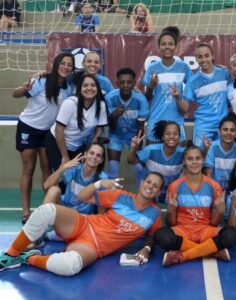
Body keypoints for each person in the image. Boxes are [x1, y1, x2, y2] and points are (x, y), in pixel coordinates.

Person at [0, 172, 164, 276]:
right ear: (142, 182)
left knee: (70, 266)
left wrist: (147, 248)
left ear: (158, 192)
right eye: (149, 182)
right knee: (47, 210)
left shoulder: (154, 213)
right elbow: (82, 197)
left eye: (156, 186)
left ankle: (29, 258)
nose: (150, 186)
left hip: (92, 247)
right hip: (84, 224)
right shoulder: (121, 196)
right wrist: (98, 184)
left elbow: (153, 236)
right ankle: (11, 254)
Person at [153, 145, 236, 266]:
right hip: (182, 231)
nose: (194, 162)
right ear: (184, 161)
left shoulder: (214, 186)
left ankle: (183, 255)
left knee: (234, 234)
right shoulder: (175, 186)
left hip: (205, 231)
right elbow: (171, 224)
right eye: (190, 159)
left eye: (197, 158)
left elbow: (214, 224)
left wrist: (220, 212)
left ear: (203, 160)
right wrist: (170, 210)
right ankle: (211, 251)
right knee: (161, 235)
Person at [12, 52, 75, 224]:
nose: (65, 67)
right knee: (28, 168)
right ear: (56, 65)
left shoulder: (69, 88)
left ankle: (45, 211)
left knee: (48, 171)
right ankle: (26, 213)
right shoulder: (41, 81)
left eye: (69, 65)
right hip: (28, 128)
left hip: (48, 133)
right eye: (62, 63)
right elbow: (15, 94)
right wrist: (23, 88)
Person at [45, 73, 108, 172]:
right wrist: (65, 157)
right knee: (63, 177)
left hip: (77, 145)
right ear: (80, 88)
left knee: (79, 174)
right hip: (56, 142)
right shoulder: (70, 103)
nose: (89, 88)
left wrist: (89, 152)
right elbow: (59, 130)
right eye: (85, 85)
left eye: (93, 85)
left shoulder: (101, 105)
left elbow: (98, 131)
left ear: (97, 88)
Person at [142, 26, 192, 145]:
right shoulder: (152, 68)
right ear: (159, 47)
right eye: (164, 44)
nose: (167, 47)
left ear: (175, 46)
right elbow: (147, 98)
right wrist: (151, 86)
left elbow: (192, 87)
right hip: (156, 119)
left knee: (178, 159)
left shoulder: (183, 67)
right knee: (152, 158)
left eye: (170, 44)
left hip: (176, 119)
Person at [182, 42, 232, 149]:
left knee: (220, 159)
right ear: (196, 59)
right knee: (200, 157)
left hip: (222, 125)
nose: (204, 60)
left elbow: (232, 95)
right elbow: (184, 108)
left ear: (212, 56)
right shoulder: (192, 82)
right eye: (200, 57)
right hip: (203, 126)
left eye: (206, 56)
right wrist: (177, 97)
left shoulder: (224, 73)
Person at [106, 67, 148, 179]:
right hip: (116, 135)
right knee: (113, 169)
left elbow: (141, 126)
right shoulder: (110, 97)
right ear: (117, 83)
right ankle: (112, 195)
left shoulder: (141, 100)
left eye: (129, 82)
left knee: (139, 168)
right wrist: (113, 116)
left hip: (134, 136)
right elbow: (109, 125)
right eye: (122, 82)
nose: (125, 85)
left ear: (134, 83)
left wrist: (136, 145)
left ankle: (141, 193)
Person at [127, 121, 184, 203]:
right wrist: (133, 148)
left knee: (184, 173)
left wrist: (206, 150)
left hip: (170, 191)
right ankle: (141, 190)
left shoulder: (183, 153)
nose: (171, 136)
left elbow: (198, 161)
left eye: (175, 134)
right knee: (138, 166)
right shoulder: (151, 149)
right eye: (168, 134)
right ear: (162, 137)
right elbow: (131, 161)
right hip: (152, 189)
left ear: (179, 137)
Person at [203, 112, 236, 192]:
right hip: (215, 190)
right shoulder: (212, 147)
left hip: (235, 191)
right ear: (219, 131)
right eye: (225, 130)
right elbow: (208, 175)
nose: (229, 133)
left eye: (232, 130)